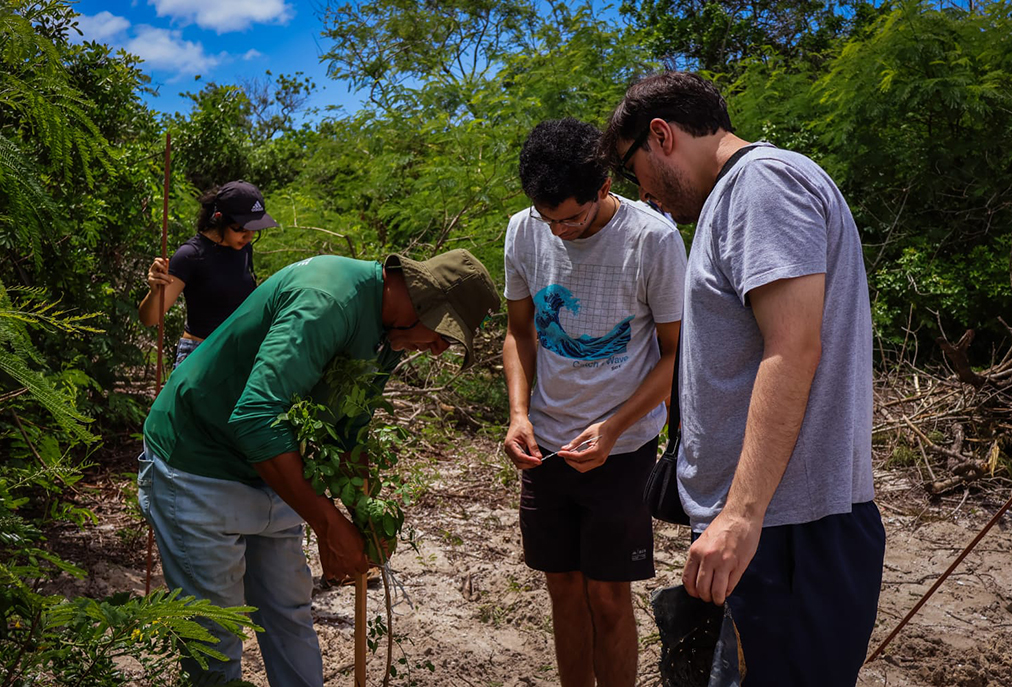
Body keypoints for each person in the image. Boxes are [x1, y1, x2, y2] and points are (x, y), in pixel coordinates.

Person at [601, 71, 885, 686]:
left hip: (789, 533)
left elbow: (792, 347)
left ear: (661, 135)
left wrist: (740, 516)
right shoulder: (737, 197)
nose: (644, 195)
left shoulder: (762, 185)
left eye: (632, 169)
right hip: (768, 528)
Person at [138, 249, 499, 686]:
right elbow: (255, 418)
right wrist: (328, 524)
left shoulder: (388, 332)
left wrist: (364, 515)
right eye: (443, 333)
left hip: (270, 468)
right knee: (215, 639)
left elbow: (348, 427)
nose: (439, 349)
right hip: (198, 462)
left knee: (289, 616)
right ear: (417, 298)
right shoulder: (328, 301)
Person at [502, 118, 685, 686]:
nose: (559, 232)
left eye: (573, 217)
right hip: (548, 447)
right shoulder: (522, 230)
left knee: (608, 597)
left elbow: (676, 355)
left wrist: (614, 428)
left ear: (606, 187)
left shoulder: (652, 238)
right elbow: (519, 332)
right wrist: (518, 414)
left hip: (624, 449)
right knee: (563, 591)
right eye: (548, 218)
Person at [138, 180, 276, 368]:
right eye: (241, 228)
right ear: (219, 218)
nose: (249, 236)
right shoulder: (190, 255)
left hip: (236, 355)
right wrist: (155, 291)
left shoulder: (244, 250)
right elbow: (150, 318)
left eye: (254, 229)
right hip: (200, 355)